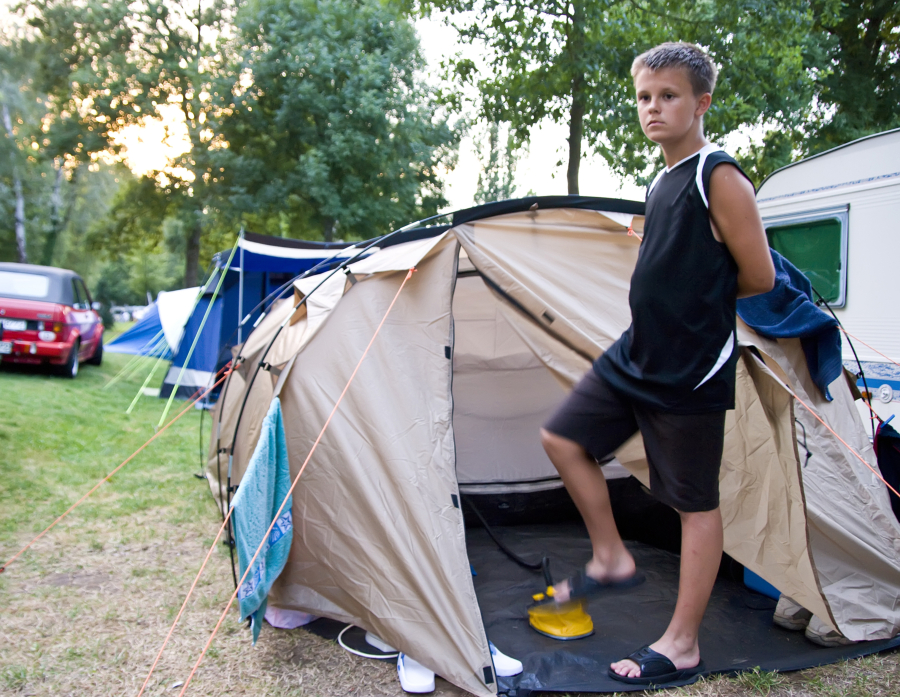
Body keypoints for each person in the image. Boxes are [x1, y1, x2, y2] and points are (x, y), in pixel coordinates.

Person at [540, 42, 775, 687]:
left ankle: (682, 642)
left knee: (694, 503)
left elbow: (757, 275)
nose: (653, 108)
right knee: (562, 438)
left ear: (700, 104)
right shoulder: (660, 181)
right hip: (635, 352)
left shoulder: (717, 176)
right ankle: (611, 557)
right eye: (645, 97)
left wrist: (694, 280)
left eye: (668, 96)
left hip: (690, 366)